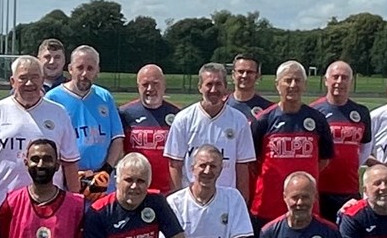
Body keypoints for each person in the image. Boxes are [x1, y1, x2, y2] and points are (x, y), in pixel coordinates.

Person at [0, 56, 79, 210]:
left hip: (49, 206)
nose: (29, 83)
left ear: (42, 80)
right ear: (12, 81)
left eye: (35, 77)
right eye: (23, 78)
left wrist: (73, 201)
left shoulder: (58, 113)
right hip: (2, 205)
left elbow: (70, 161)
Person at [249, 61, 333, 226]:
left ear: (305, 85)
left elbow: (323, 160)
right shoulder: (263, 120)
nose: (293, 85)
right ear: (278, 84)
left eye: (297, 80)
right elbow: (252, 162)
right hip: (267, 206)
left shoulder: (317, 120)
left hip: (305, 206)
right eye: (288, 80)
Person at [164, 63, 257, 201]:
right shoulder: (184, 119)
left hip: (226, 200)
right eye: (209, 84)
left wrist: (242, 203)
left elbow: (242, 167)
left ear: (225, 87)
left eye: (218, 84)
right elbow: (175, 164)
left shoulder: (239, 120)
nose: (214, 89)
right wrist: (179, 201)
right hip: (191, 200)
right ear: (200, 87)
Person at [45, 45, 125, 199]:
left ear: (97, 70)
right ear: (70, 69)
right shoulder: (53, 98)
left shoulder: (104, 97)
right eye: (79, 67)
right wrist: (72, 174)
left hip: (102, 181)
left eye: (90, 68)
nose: (84, 73)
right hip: (66, 181)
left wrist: (105, 171)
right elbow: (47, 145)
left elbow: (117, 139)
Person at [310, 61, 371, 219]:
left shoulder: (361, 112)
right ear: (326, 80)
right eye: (335, 77)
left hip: (349, 189)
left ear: (351, 82)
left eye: (344, 77)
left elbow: (365, 147)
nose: (339, 81)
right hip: (319, 190)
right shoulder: (313, 111)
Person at [118, 64, 182, 195]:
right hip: (135, 189)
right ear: (138, 86)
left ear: (164, 85)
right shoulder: (125, 113)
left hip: (168, 191)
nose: (150, 88)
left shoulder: (179, 115)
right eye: (145, 84)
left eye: (155, 84)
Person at [229, 54, 274, 119]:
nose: (244, 76)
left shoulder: (269, 109)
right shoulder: (221, 105)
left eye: (249, 72)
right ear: (233, 75)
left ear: (257, 76)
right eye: (241, 71)